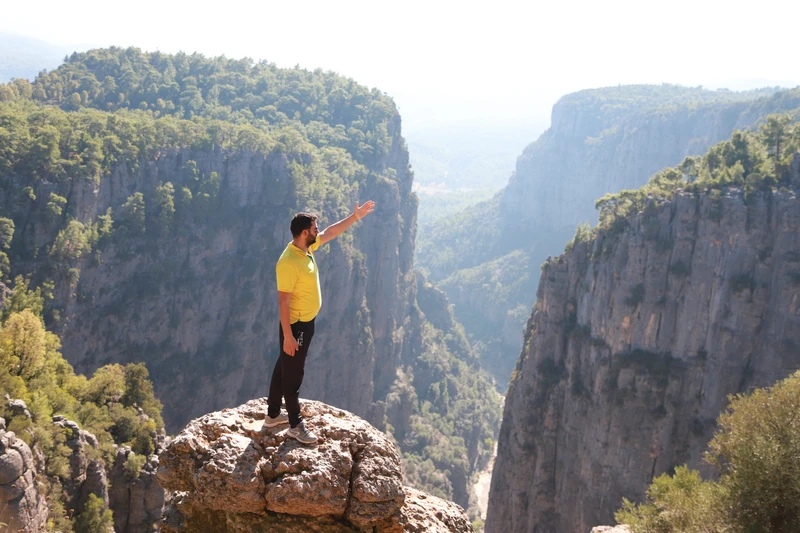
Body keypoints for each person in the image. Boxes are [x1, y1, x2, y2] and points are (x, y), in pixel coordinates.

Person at [265, 201, 376, 444]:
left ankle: (273, 415)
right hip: (296, 326)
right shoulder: (288, 262)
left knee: (283, 367)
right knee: (293, 376)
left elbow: (332, 232)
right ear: (305, 232)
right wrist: (289, 336)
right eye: (315, 228)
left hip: (305, 323)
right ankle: (295, 425)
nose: (318, 230)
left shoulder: (307, 248)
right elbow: (283, 302)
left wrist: (354, 217)